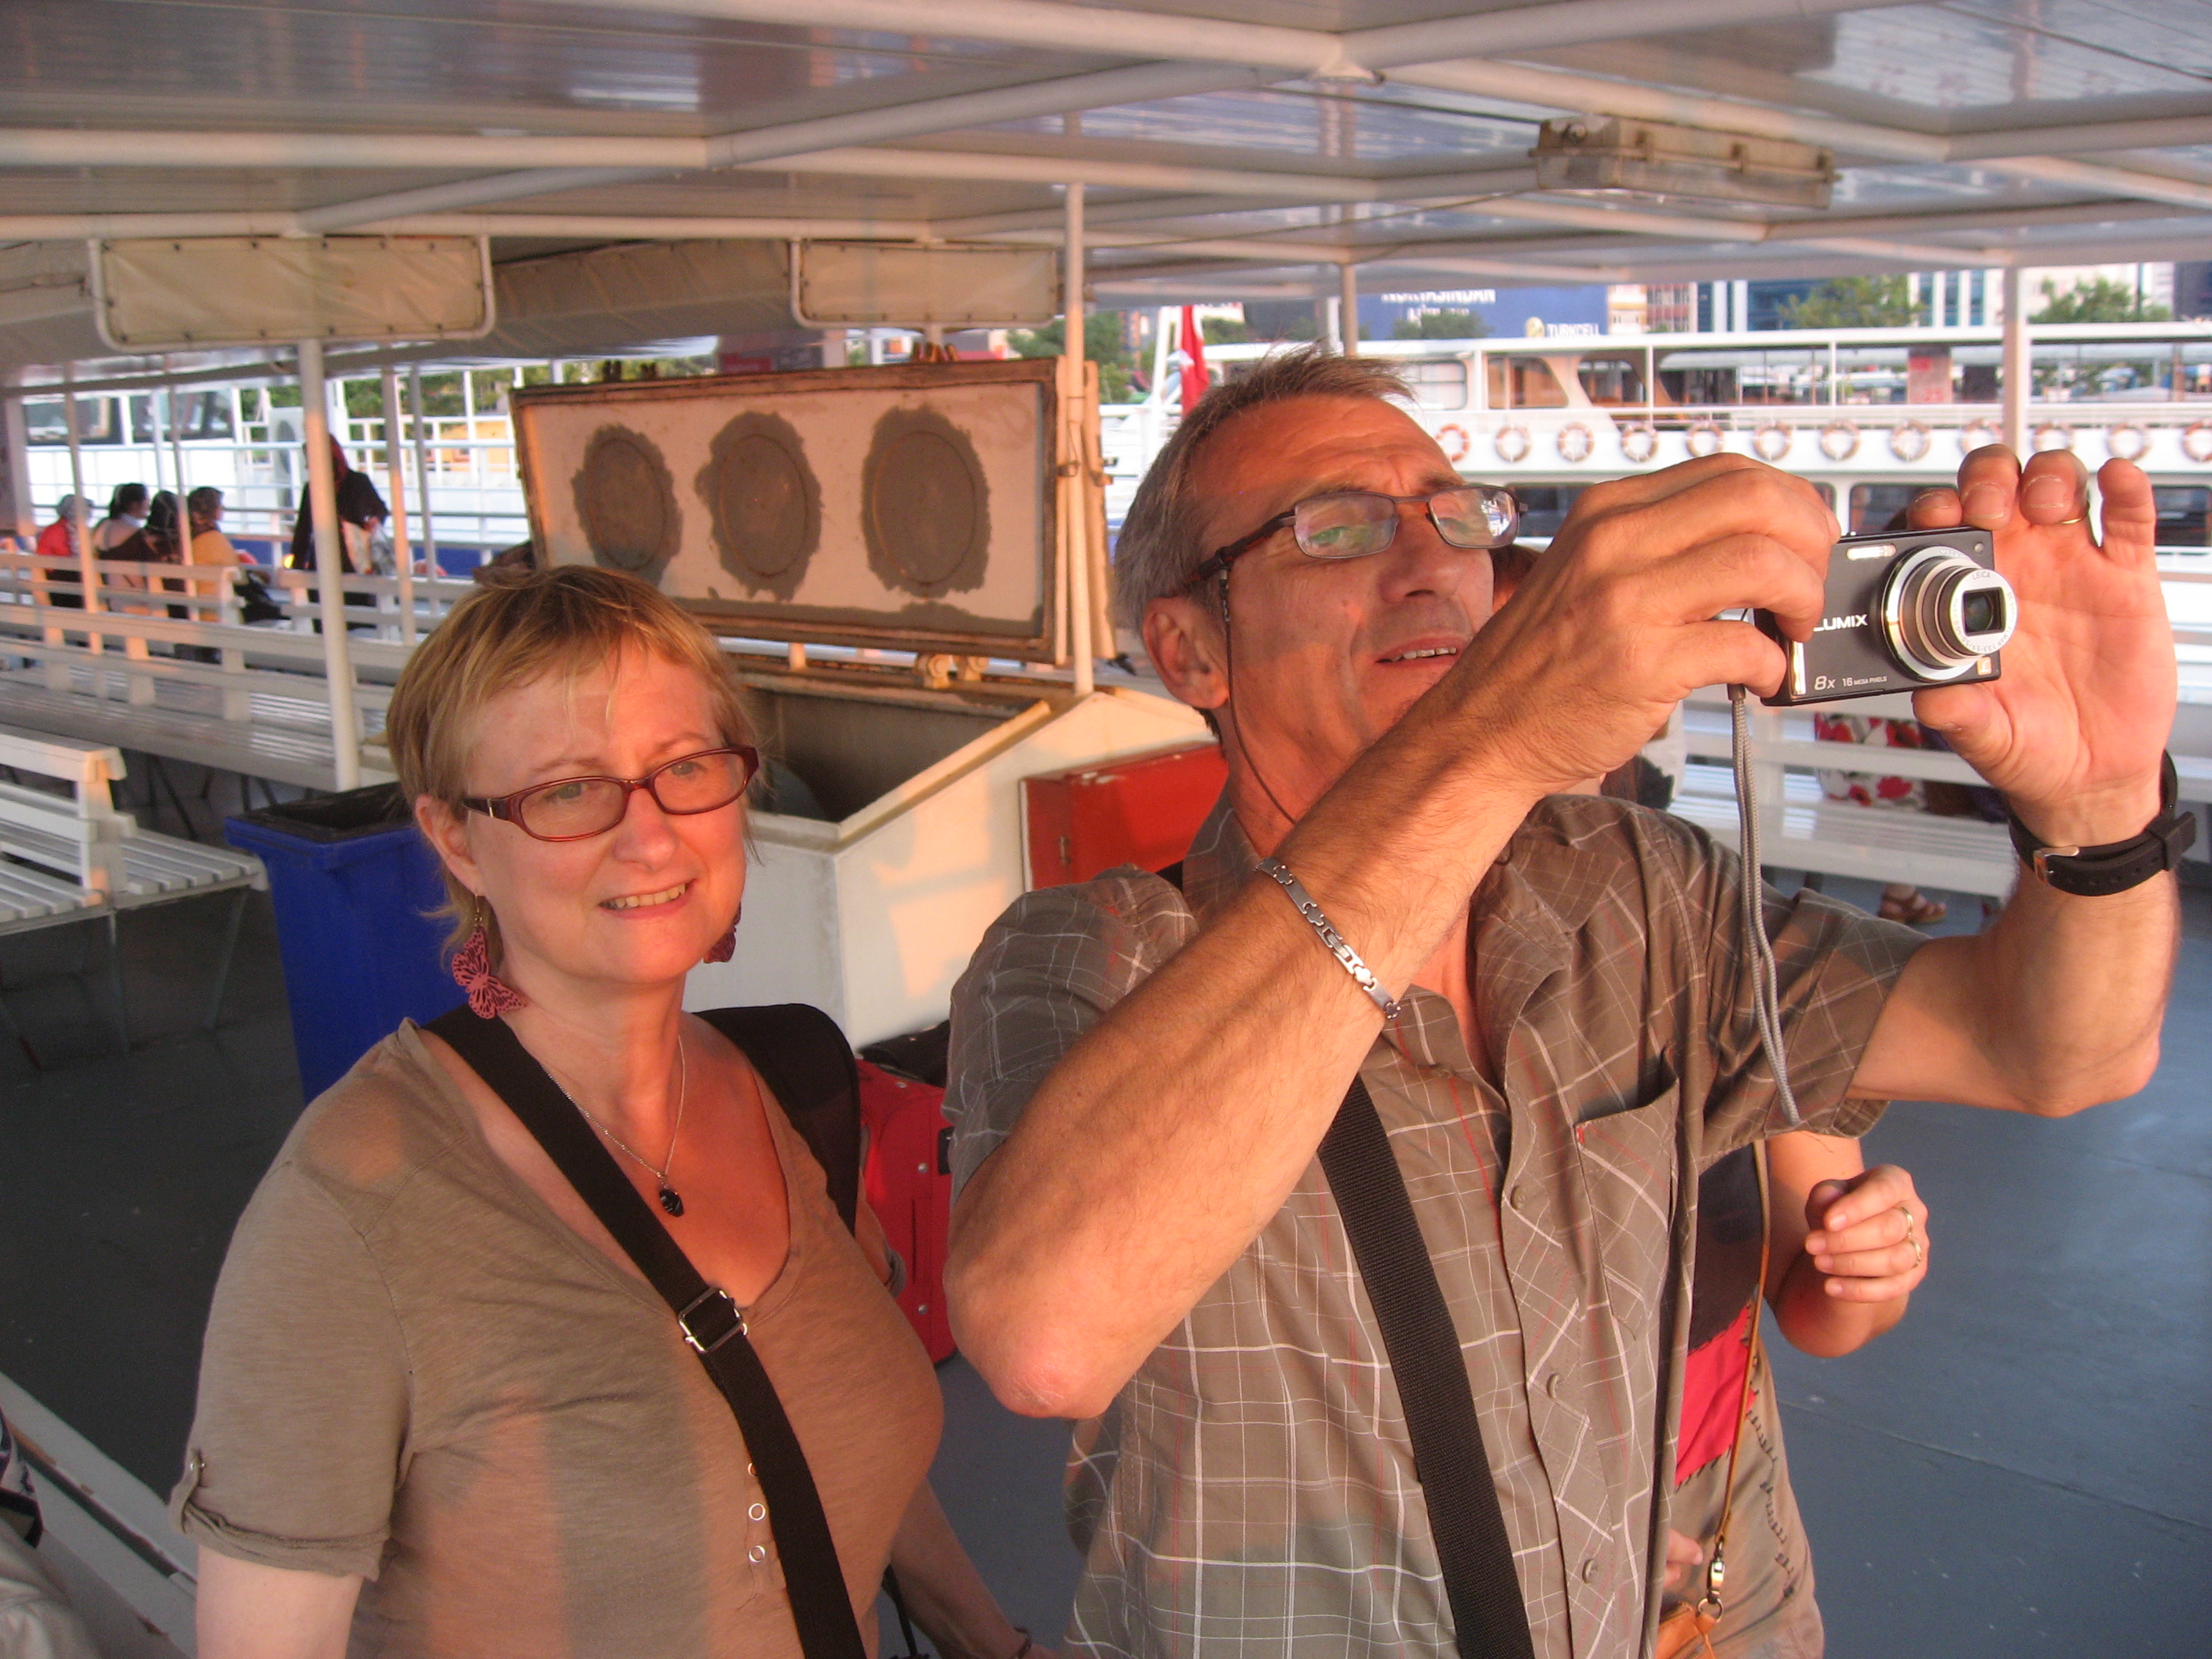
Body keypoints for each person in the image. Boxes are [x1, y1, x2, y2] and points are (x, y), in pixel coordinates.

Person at [941, 346, 2179, 1657]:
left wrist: (2101, 811)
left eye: (1456, 515)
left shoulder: (1631, 889)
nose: (1427, 562)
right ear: (1192, 650)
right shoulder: (1092, 955)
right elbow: (1044, 1336)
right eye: (1335, 528)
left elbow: (2048, 1048)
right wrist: (1490, 742)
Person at [178, 566, 1049, 1659]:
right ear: (456, 839)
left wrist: (991, 1641)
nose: (649, 837)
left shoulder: (793, 1086)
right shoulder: (350, 1210)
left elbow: (819, 1435)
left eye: (684, 768)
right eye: (565, 792)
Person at [1661, 1137, 1928, 1657]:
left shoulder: (1758, 1074)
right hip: (1501, 1519)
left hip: (1715, 1493)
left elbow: (1817, 1310)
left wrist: (1870, 1256)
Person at [32, 496, 83, 609]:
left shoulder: (72, 528)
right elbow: (62, 554)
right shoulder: (56, 530)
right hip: (59, 577)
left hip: (66, 575)